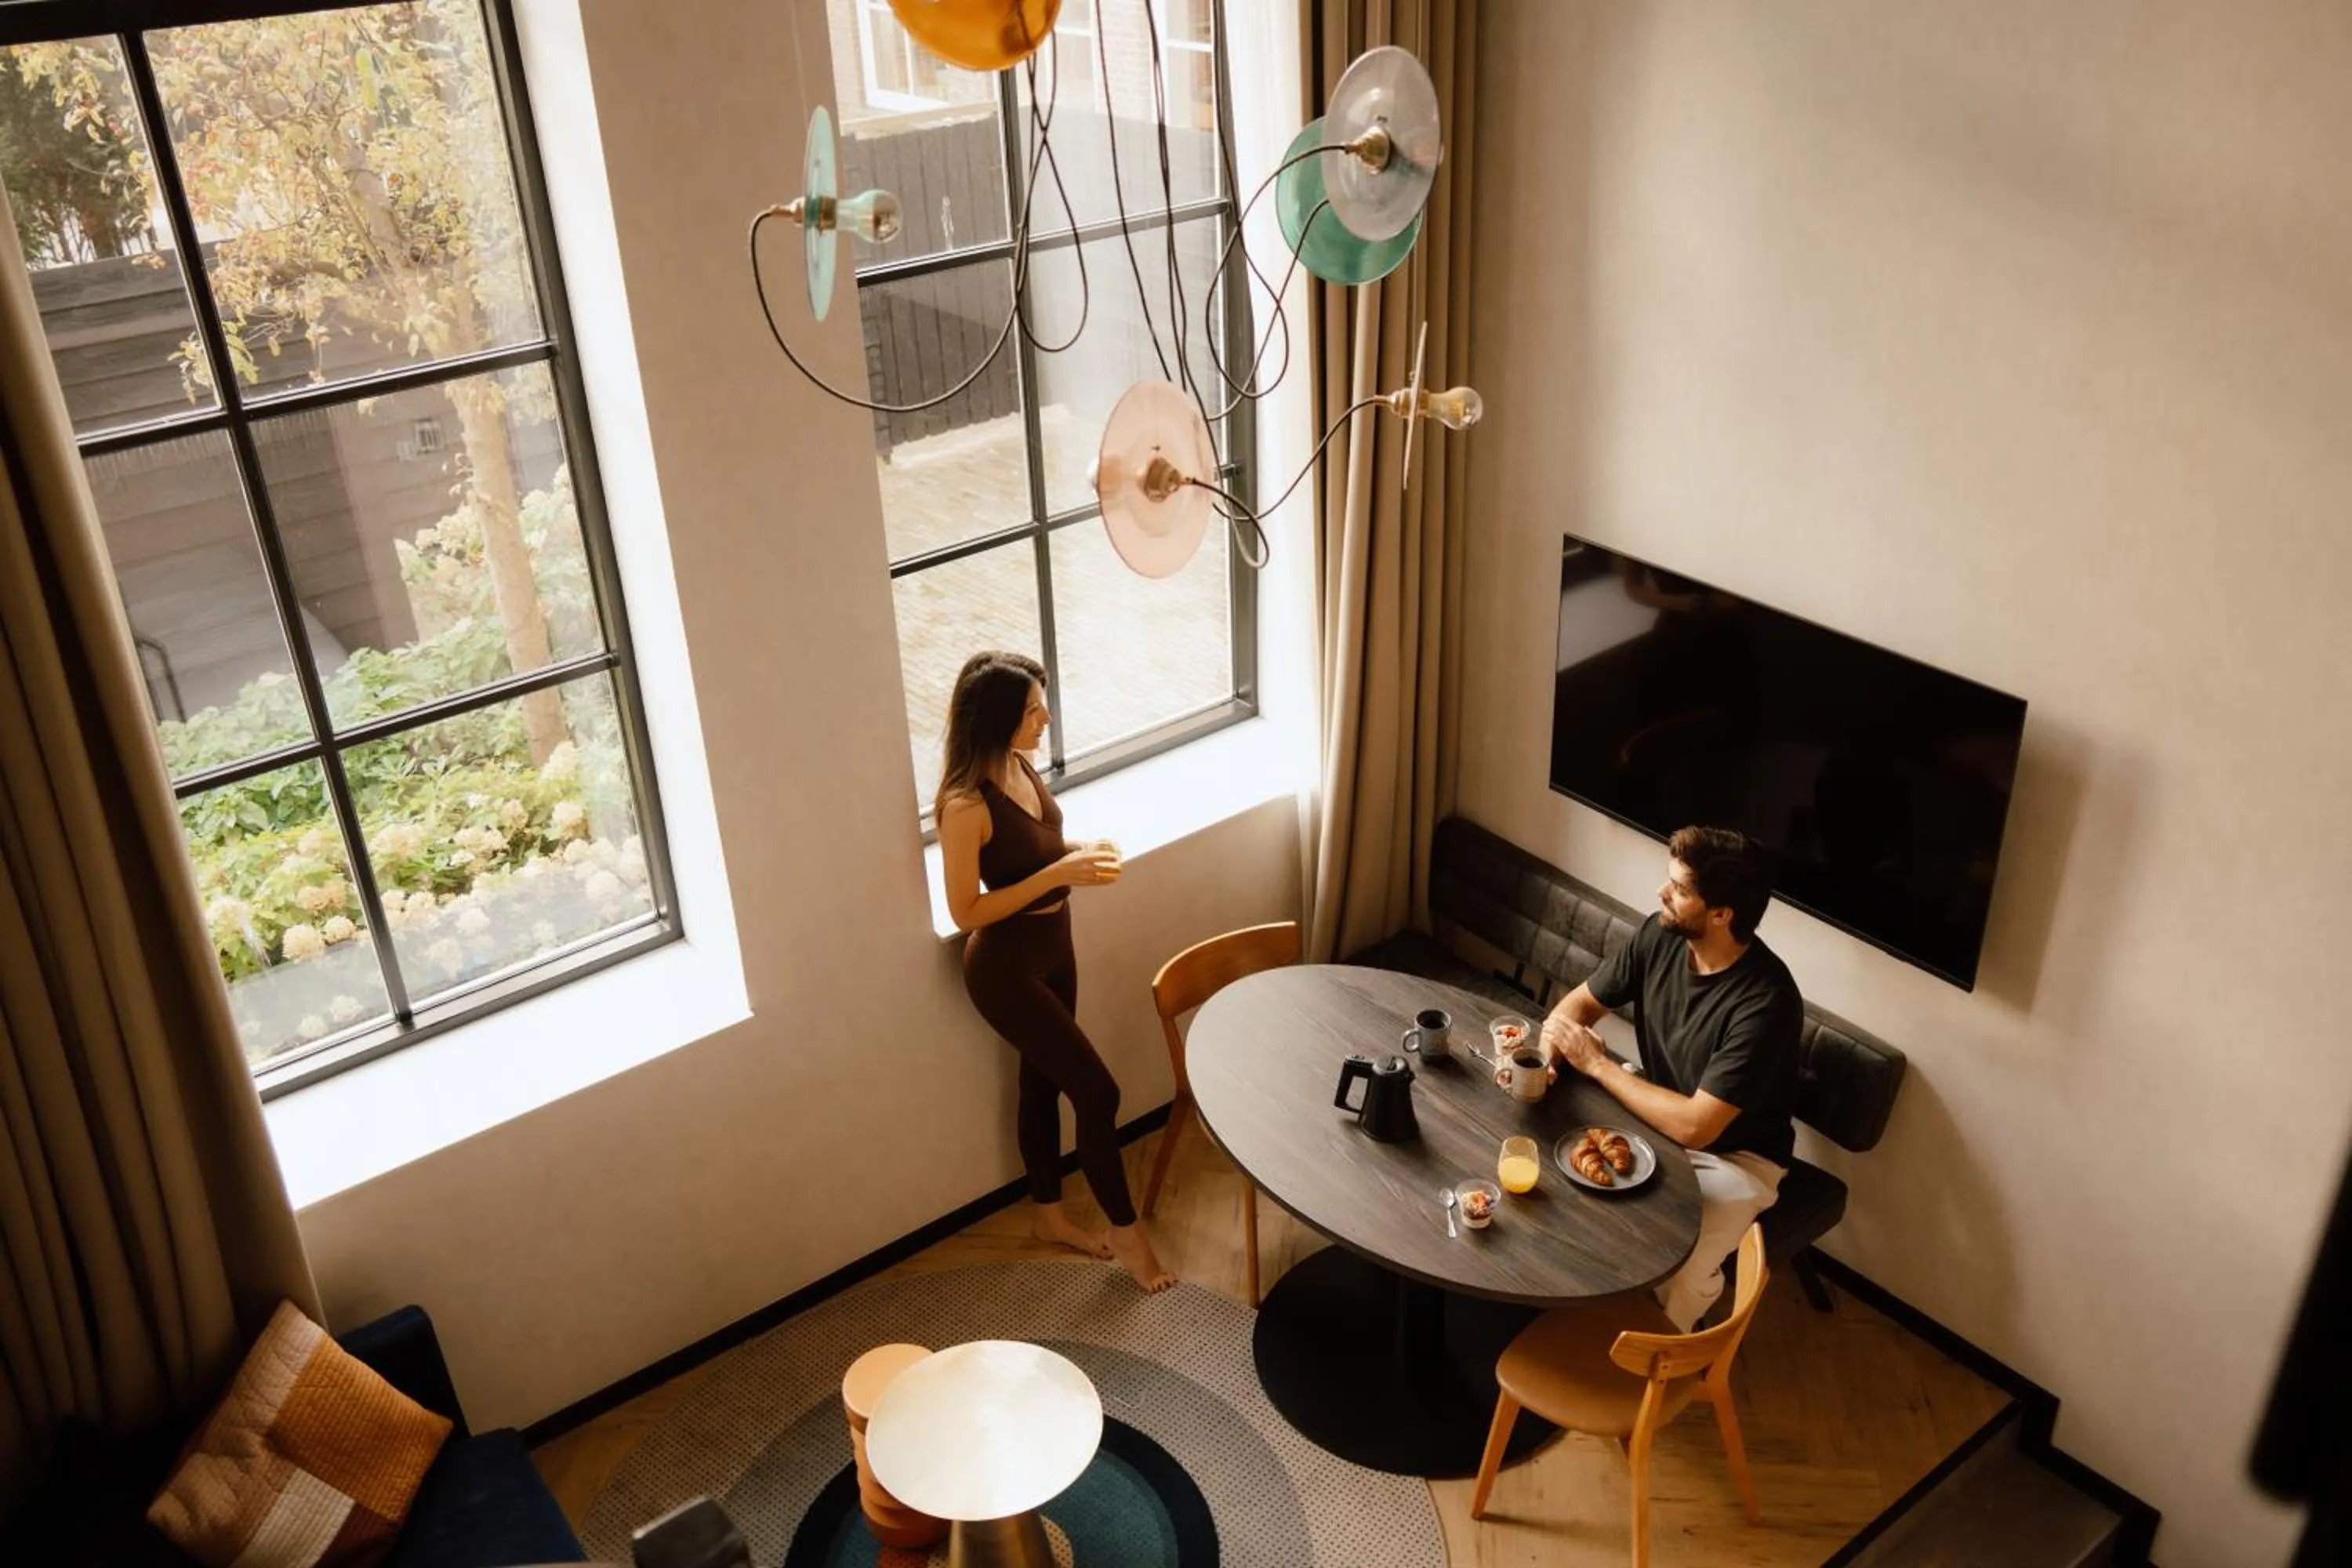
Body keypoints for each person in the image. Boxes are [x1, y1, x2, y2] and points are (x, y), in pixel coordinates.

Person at [935, 651, 1176, 1294]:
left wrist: (1079, 851)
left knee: (1041, 1082)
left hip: (1055, 945)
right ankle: (1126, 1233)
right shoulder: (964, 805)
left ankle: (1048, 1216)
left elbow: (1034, 849)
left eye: (1042, 706)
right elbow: (966, 911)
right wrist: (1057, 875)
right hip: (1005, 968)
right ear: (998, 719)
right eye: (1032, 710)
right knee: (1099, 1094)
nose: (1045, 719)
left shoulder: (1019, 764)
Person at [1534, 826, 1801, 1330]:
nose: (1662, 893)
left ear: (1721, 914)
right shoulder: (1661, 935)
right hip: (1656, 1114)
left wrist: (1597, 1065)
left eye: (1679, 889)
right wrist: (1549, 1061)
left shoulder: (1766, 1003)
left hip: (1736, 1158)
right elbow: (1578, 1006)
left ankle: (1664, 1354)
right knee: (1559, 1174)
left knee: (1677, 1267)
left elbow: (1697, 1127)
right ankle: (1568, 1315)